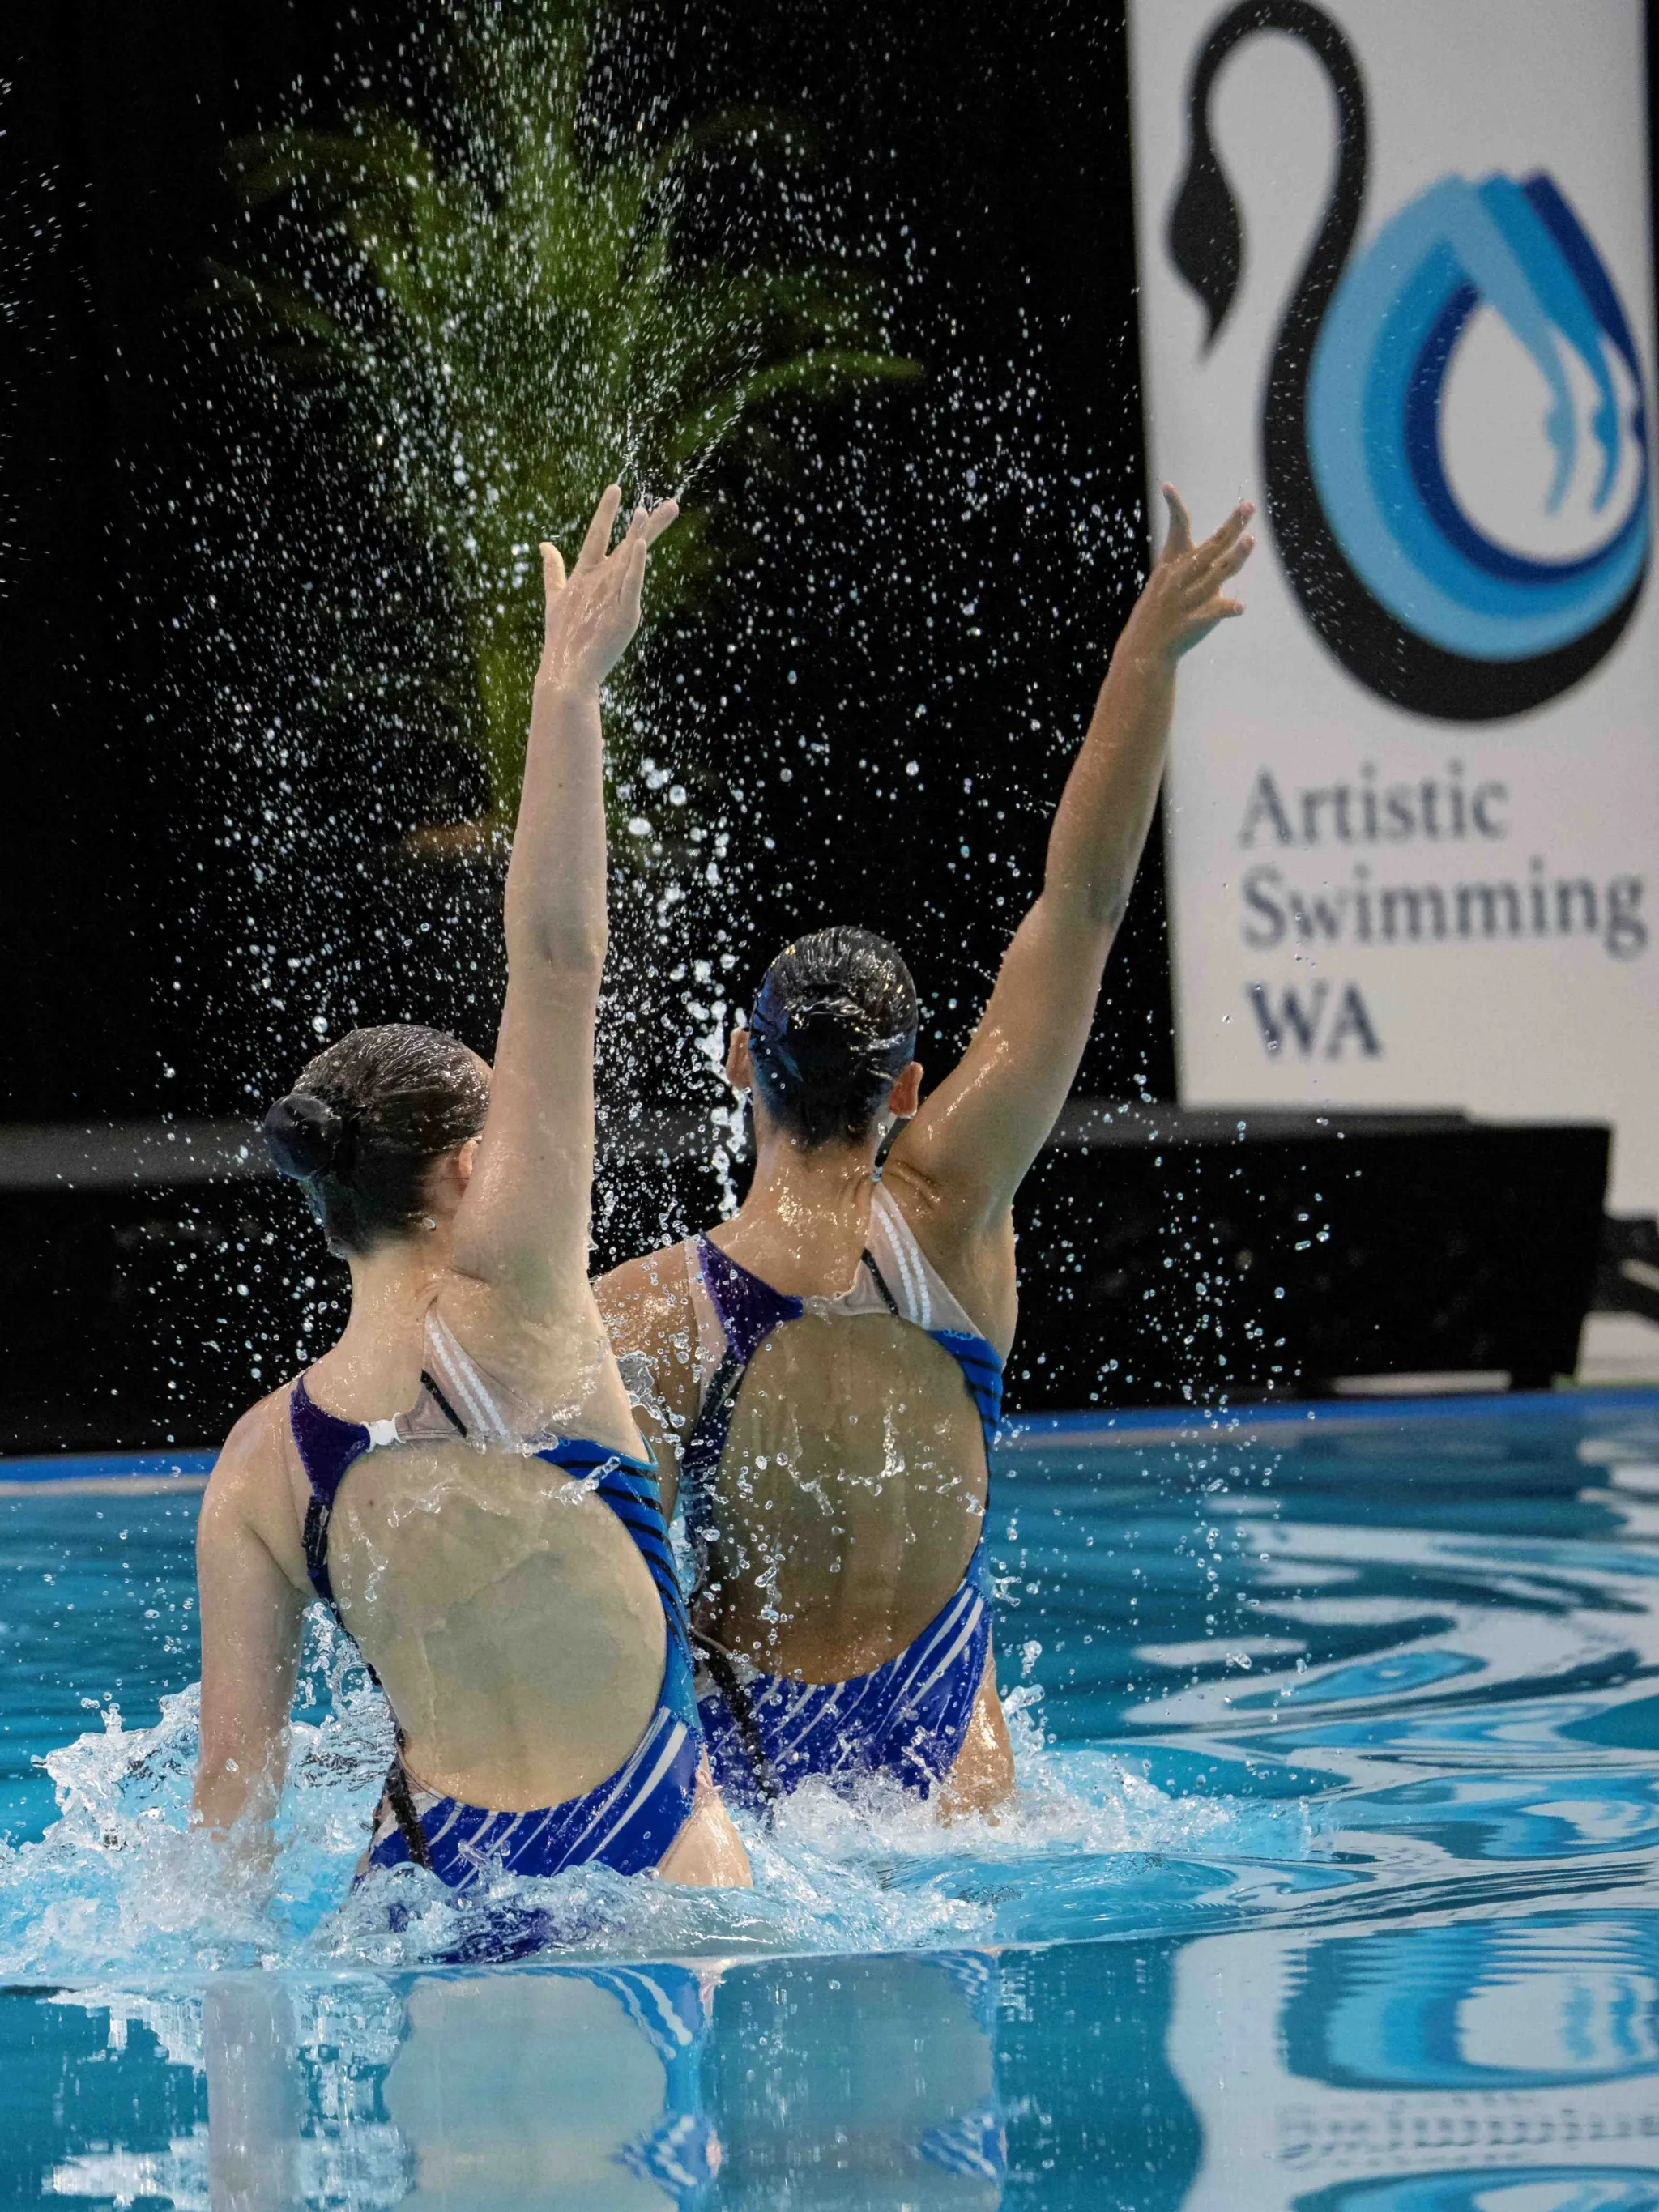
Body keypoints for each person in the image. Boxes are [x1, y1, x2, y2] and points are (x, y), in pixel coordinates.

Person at [598, 487, 1254, 1817]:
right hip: (957, 1766)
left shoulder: (653, 1314)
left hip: (758, 1784)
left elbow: (600, 1622)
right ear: (905, 1087)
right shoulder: (956, 1211)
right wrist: (1145, 657)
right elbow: (1084, 905)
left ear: (737, 1061)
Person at [193, 486, 750, 1942]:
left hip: (420, 1899)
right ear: (460, 1173)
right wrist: (569, 692)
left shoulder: (262, 1466)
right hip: (651, 1877)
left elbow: (227, 1831)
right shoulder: (519, 1297)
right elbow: (556, 960)